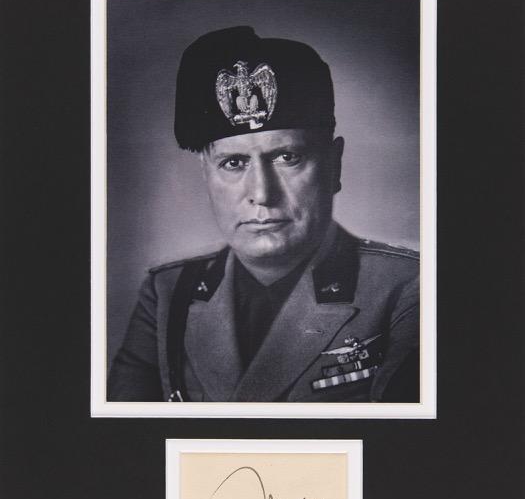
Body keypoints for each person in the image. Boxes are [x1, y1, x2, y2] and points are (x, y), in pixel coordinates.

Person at [108, 26, 419, 403]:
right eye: (234, 163)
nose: (261, 193)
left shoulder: (408, 289)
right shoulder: (168, 293)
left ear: (334, 165)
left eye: (288, 157)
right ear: (206, 174)